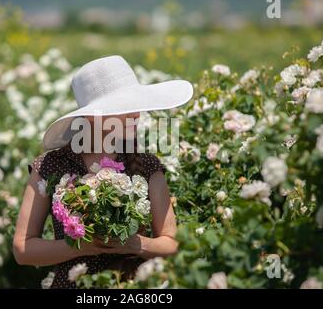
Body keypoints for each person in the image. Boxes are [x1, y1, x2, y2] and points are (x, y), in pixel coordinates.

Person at [13, 55, 193, 288]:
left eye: (135, 107)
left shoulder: (147, 166)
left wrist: (133, 244)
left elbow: (172, 243)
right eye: (124, 108)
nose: (136, 115)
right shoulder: (50, 166)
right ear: (91, 116)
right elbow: (23, 248)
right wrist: (79, 246)